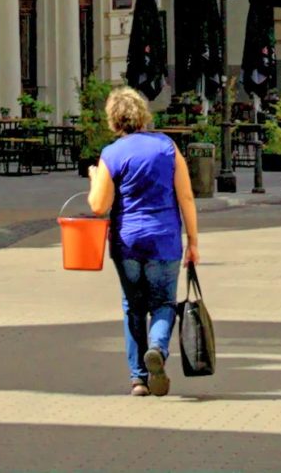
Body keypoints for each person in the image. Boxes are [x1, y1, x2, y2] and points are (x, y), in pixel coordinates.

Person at [85, 86, 199, 398]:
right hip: (164, 238)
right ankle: (158, 350)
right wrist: (193, 241)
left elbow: (98, 206)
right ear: (143, 114)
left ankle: (138, 379)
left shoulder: (112, 154)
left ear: (113, 119)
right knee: (163, 303)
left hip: (127, 242)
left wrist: (96, 178)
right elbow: (186, 195)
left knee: (132, 307)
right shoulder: (166, 146)